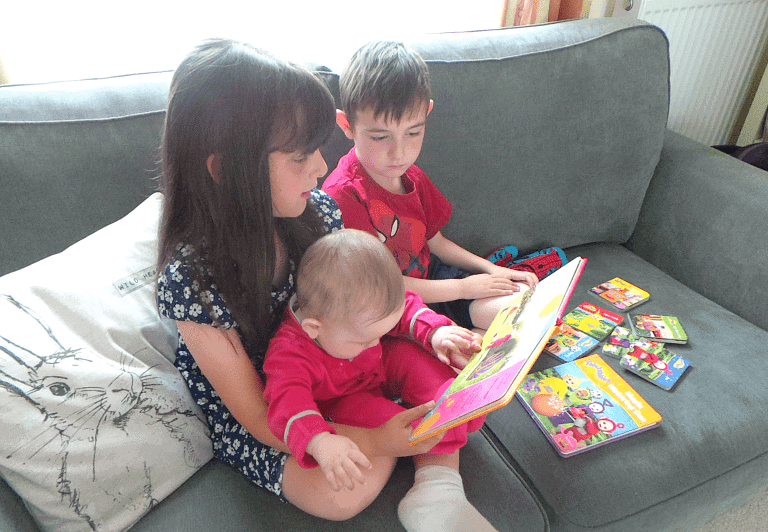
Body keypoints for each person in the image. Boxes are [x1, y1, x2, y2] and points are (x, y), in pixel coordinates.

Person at [155, 38, 444, 522]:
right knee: (339, 497)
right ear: (226, 169)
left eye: (317, 149)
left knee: (430, 372)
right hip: (276, 413)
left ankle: (397, 437)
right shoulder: (193, 283)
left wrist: (433, 328)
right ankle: (379, 426)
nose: (322, 167)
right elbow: (255, 415)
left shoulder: (317, 214)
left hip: (337, 369)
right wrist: (374, 439)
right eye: (299, 157)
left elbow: (368, 299)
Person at [263, 228, 497, 531]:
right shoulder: (289, 354)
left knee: (418, 359)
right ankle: (440, 450)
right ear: (313, 328)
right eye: (363, 340)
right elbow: (287, 403)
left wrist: (436, 332)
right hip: (342, 400)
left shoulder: (360, 319)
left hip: (379, 371)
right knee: (399, 424)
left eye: (379, 333)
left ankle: (459, 402)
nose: (373, 344)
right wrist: (320, 441)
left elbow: (405, 309)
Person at [322, 40, 545, 332]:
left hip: (436, 283)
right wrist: (465, 289)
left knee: (526, 307)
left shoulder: (411, 176)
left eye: (413, 132)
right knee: (475, 343)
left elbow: (436, 242)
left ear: (426, 114)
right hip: (389, 307)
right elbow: (377, 286)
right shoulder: (344, 195)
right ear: (347, 125)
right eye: (380, 137)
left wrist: (491, 270)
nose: (399, 153)